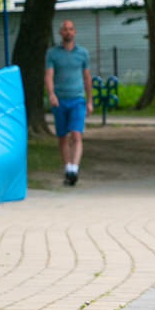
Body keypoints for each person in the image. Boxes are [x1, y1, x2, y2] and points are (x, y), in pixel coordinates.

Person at [45, 20, 93, 186]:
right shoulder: (52, 54)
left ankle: (74, 168)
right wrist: (51, 94)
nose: (68, 32)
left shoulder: (82, 53)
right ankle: (67, 168)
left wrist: (90, 100)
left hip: (77, 99)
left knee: (76, 134)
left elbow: (87, 77)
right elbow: (49, 75)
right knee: (62, 136)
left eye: (71, 29)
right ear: (60, 33)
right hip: (60, 100)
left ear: (75, 32)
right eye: (65, 29)